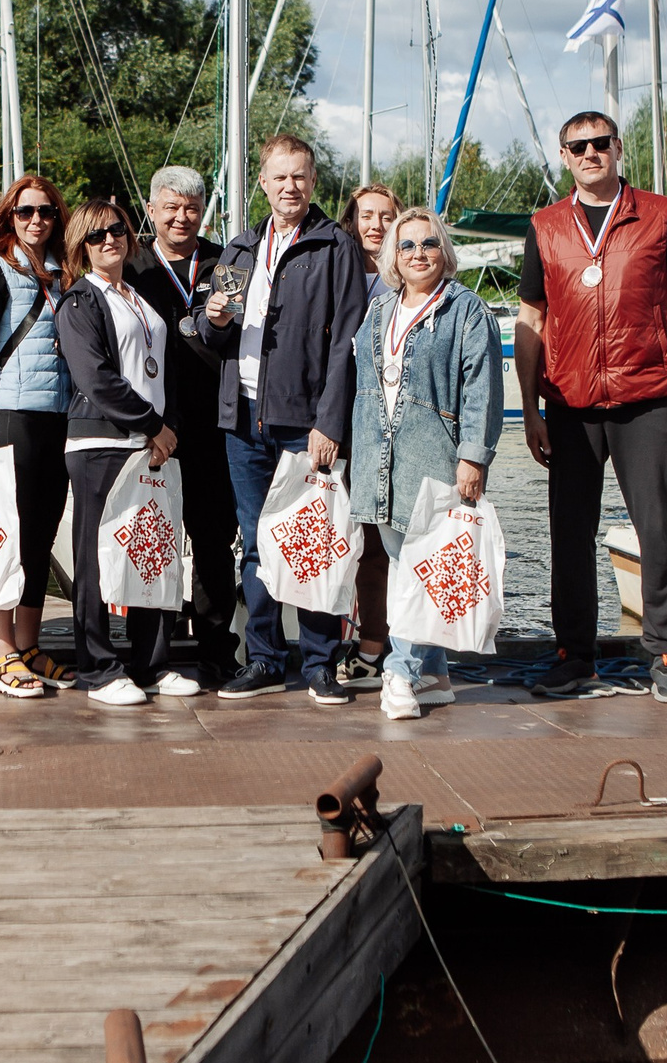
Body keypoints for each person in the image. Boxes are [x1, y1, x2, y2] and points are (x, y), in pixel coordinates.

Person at [513, 111, 667, 706]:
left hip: (647, 396)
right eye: (578, 147)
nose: (590, 154)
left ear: (618, 148)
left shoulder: (659, 215)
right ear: (564, 155)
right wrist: (529, 408)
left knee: (657, 529)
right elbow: (530, 319)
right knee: (569, 534)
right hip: (571, 402)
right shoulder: (545, 226)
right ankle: (573, 655)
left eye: (600, 143)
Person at [200, 134, 369, 705]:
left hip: (306, 423)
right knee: (255, 543)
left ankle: (320, 662)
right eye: (279, 176)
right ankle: (266, 658)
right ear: (263, 183)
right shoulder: (241, 249)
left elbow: (349, 338)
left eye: (299, 176)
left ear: (312, 181)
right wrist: (215, 320)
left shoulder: (334, 246)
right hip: (245, 417)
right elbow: (209, 333)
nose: (290, 186)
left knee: (314, 543)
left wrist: (330, 422)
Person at [349, 208, 500, 720]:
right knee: (410, 567)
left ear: (444, 251)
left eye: (429, 244)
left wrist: (473, 457)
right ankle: (434, 673)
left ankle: (399, 672)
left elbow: (482, 391)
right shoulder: (379, 311)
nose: (418, 253)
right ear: (393, 254)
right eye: (407, 245)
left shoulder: (467, 310)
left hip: (432, 455)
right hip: (379, 457)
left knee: (414, 568)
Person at [57, 197, 203, 706]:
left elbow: (167, 369)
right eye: (96, 235)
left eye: (116, 230)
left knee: (152, 553)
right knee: (96, 558)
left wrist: (168, 430)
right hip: (101, 443)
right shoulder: (80, 300)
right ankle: (97, 668)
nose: (109, 240)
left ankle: (150, 664)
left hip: (150, 445)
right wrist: (152, 425)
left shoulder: (138, 295)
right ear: (81, 245)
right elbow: (95, 379)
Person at [0, 176, 76, 698]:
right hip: (12, 416)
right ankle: (2, 653)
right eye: (26, 211)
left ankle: (29, 646)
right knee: (8, 537)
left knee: (41, 535)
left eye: (47, 212)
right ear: (10, 216)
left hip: (58, 418)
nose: (37, 221)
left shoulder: (64, 274)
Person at [127, 166, 238, 684]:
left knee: (214, 542)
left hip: (215, 424)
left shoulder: (225, 263)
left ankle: (218, 650)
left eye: (191, 208)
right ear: (151, 210)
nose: (181, 217)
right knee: (154, 538)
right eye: (171, 207)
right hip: (152, 426)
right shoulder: (130, 264)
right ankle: (152, 653)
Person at [334, 183, 403, 690]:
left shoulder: (408, 281)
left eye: (386, 215)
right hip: (335, 425)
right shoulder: (335, 275)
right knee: (331, 539)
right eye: (366, 215)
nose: (375, 224)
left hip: (388, 433)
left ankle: (376, 646)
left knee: (381, 546)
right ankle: (323, 642)